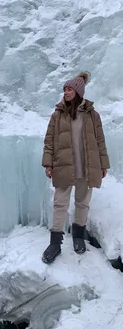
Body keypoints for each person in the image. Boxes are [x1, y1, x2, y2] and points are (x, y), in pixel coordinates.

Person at [41, 72, 110, 264]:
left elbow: (100, 141)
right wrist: (48, 163)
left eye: (69, 89)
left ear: (78, 92)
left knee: (82, 202)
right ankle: (55, 243)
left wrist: (103, 165)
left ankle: (78, 236)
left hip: (87, 166)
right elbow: (49, 141)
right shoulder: (58, 115)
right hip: (64, 165)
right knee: (60, 203)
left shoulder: (92, 115)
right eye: (64, 89)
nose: (66, 92)